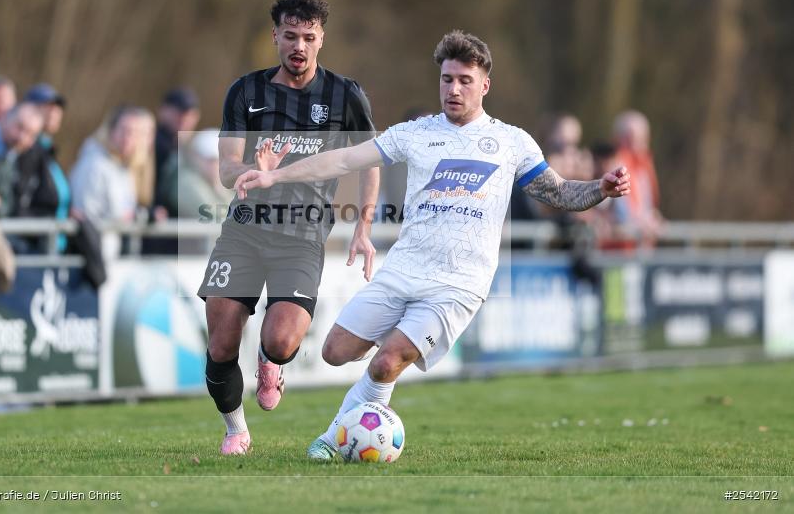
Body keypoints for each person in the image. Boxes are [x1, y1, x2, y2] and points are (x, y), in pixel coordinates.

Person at [234, 30, 631, 461]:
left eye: (464, 80)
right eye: (446, 79)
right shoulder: (416, 133)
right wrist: (277, 175)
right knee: (334, 352)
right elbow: (346, 159)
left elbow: (559, 192)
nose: (453, 89)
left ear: (485, 85)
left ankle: (332, 441)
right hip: (403, 269)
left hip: (458, 284)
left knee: (386, 363)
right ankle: (351, 375)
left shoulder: (511, 142)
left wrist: (601, 189)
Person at [199, 0, 379, 455]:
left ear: (322, 39)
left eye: (309, 37)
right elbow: (225, 169)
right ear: (275, 35)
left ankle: (270, 359)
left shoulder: (345, 95)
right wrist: (253, 172)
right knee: (220, 343)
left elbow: (370, 162)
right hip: (243, 230)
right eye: (291, 35)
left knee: (280, 339)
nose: (299, 45)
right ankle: (235, 429)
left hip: (302, 236)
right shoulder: (245, 92)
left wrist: (362, 226)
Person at [69, 105, 154, 225]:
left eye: (135, 133)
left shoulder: (122, 166)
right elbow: (86, 216)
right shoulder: (94, 165)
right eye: (124, 130)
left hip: (111, 242)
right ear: (111, 130)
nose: (128, 138)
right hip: (95, 242)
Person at [12, 83, 71, 252]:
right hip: (35, 247)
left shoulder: (47, 148)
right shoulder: (27, 150)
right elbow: (20, 203)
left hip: (54, 244)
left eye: (57, 108)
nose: (55, 113)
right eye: (47, 107)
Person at [613, 110, 662, 247]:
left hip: (640, 246)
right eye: (631, 137)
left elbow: (648, 204)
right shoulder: (616, 166)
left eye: (642, 137)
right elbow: (620, 212)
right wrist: (640, 222)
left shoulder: (645, 167)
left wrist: (652, 216)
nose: (638, 143)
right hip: (618, 250)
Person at [155, 87, 201, 187]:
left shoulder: (192, 146)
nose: (183, 118)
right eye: (177, 112)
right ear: (162, 110)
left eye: (189, 114)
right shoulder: (153, 141)